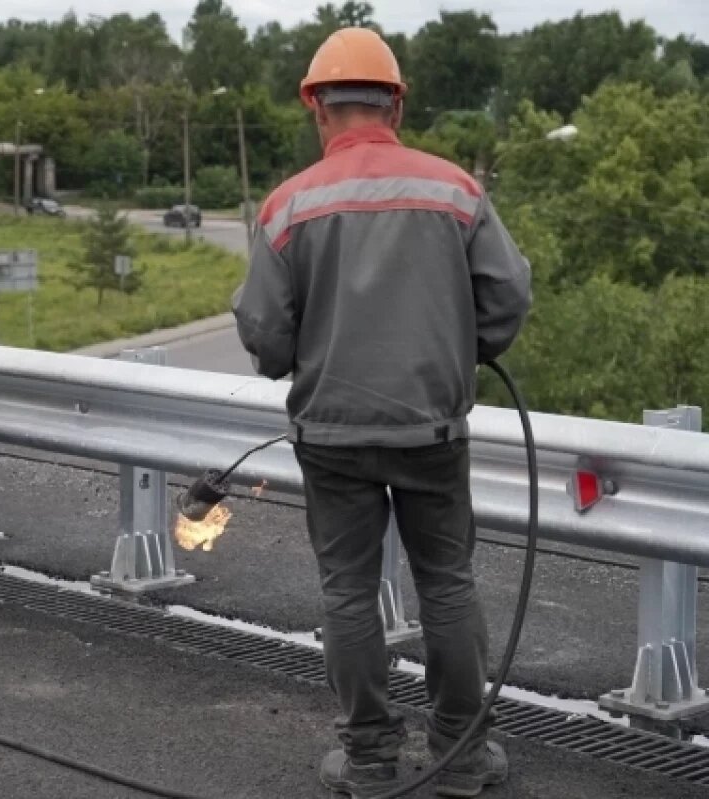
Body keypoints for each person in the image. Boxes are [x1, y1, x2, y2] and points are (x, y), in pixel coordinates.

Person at [232, 27, 532, 799]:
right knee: (448, 584)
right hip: (431, 428)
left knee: (348, 591)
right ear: (395, 106)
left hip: (331, 436)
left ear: (316, 108)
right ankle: (460, 757)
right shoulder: (455, 191)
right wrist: (461, 347)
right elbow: (509, 294)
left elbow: (264, 333)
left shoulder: (287, 205)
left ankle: (368, 761)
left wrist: (294, 357)